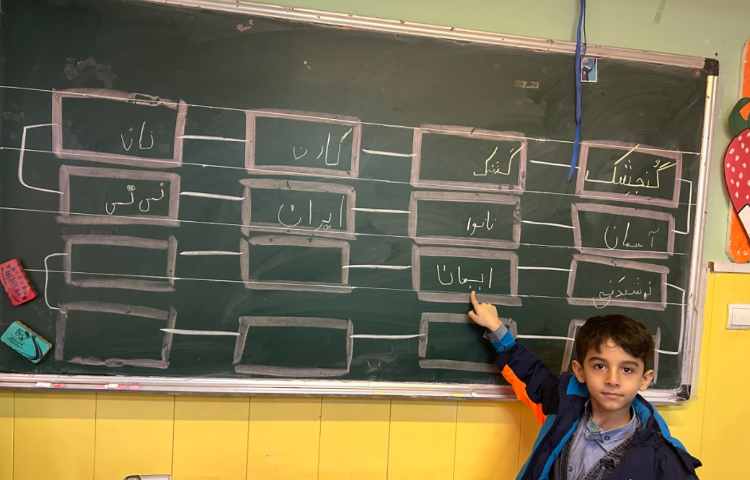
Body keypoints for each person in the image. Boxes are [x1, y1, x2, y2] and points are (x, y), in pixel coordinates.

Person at [467, 291, 701, 479]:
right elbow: (531, 373)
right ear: (580, 371)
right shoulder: (564, 403)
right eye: (600, 366)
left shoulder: (662, 456)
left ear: (645, 379)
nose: (612, 380)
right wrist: (496, 328)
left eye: (627, 370)